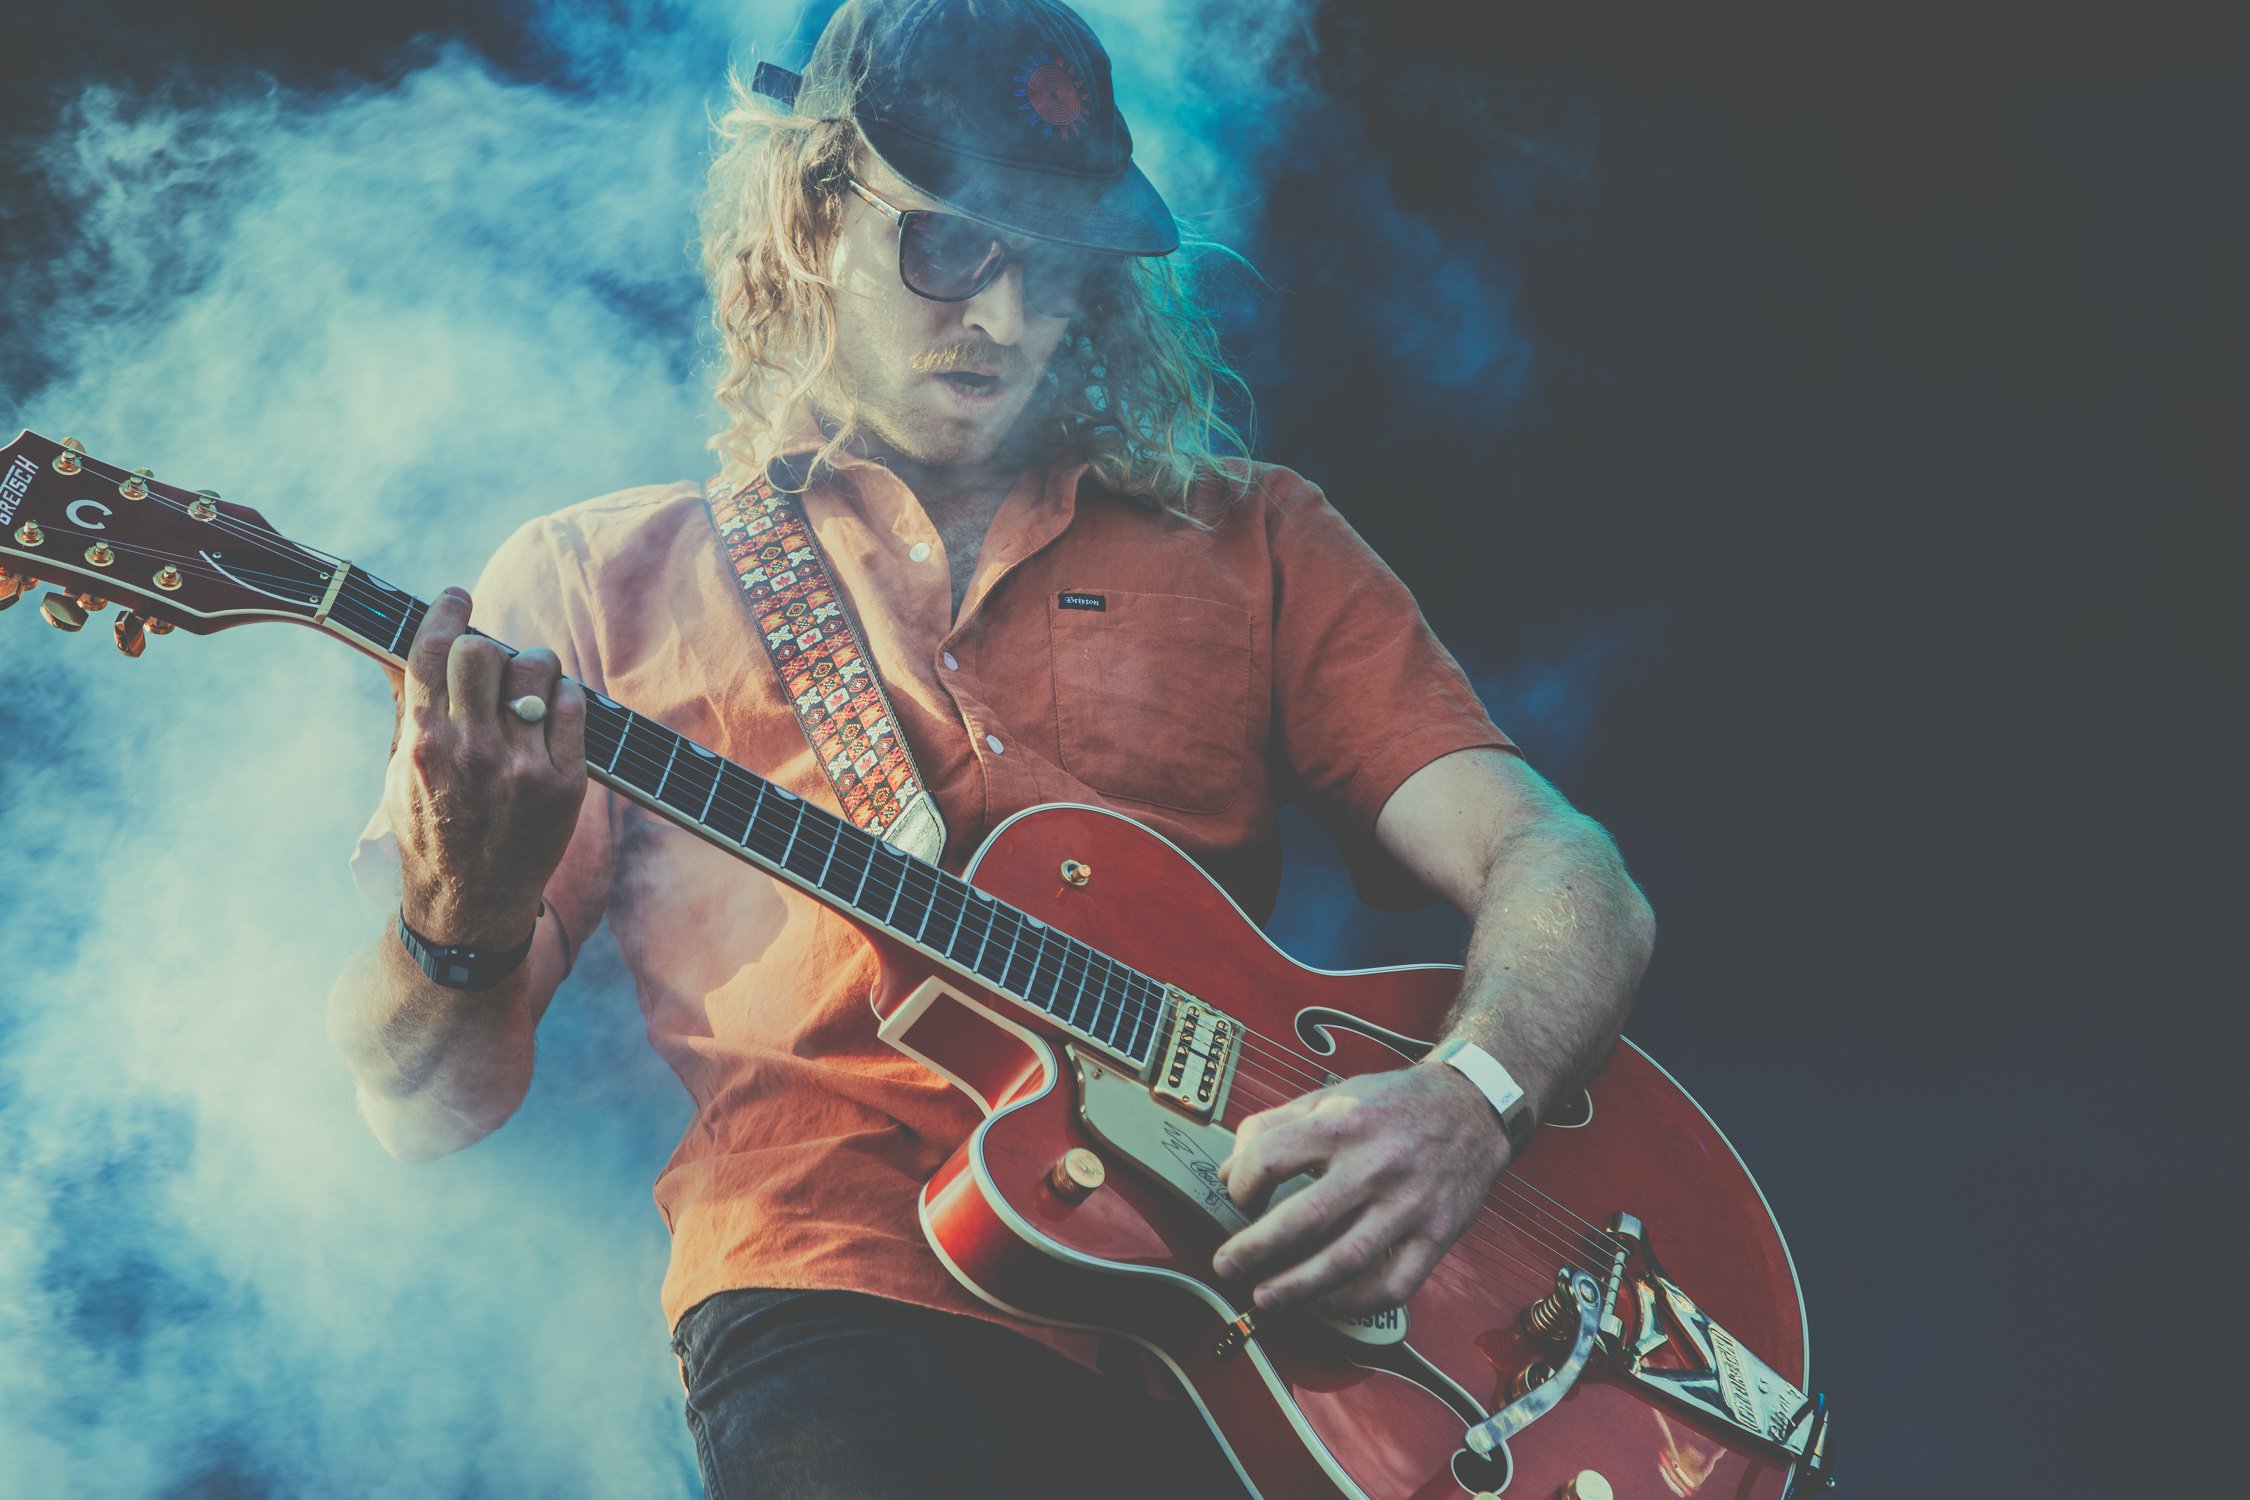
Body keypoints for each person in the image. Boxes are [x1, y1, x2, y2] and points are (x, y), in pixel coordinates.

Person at [327, 1, 1656, 1495]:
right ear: (813, 210)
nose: (1009, 318)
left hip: (1248, 1316)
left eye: (1057, 262)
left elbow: (1566, 870)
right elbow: (420, 1110)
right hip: (845, 1296)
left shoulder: (1259, 539)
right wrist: (459, 917)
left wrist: (1466, 1101)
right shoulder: (589, 586)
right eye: (951, 246)